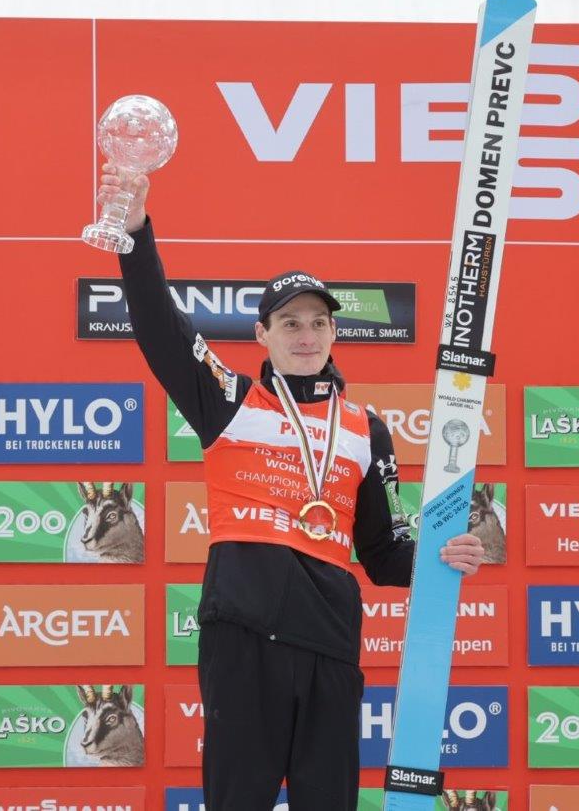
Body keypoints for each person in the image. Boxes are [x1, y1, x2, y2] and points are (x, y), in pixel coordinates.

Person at [98, 165, 485, 810]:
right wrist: (135, 235)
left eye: (317, 323)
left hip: (329, 643)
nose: (306, 336)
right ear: (263, 334)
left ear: (334, 332)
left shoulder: (366, 430)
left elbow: (386, 556)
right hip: (242, 636)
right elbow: (161, 329)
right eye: (289, 323)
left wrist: (442, 556)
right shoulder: (230, 401)